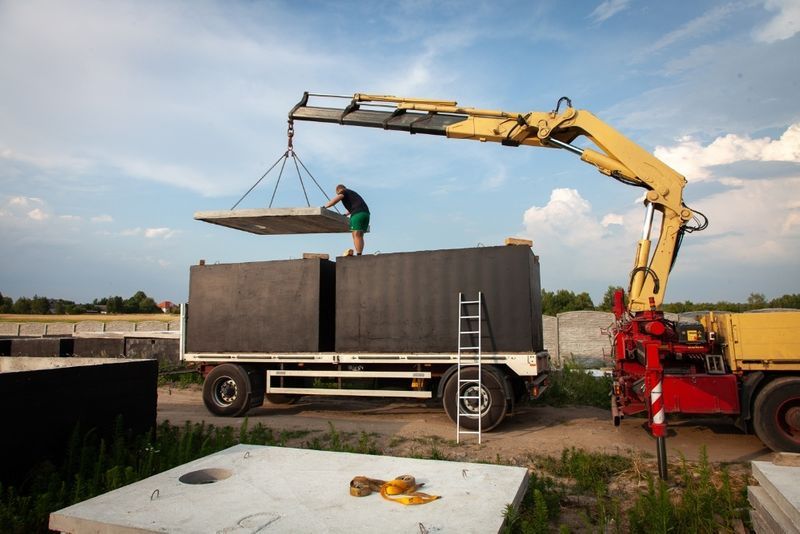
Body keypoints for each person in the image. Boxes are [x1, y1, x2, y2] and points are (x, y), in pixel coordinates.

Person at [323, 184, 370, 255]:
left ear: (338, 190)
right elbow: (355, 206)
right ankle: (359, 253)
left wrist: (325, 206)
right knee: (359, 234)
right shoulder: (352, 193)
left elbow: (337, 199)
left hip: (358, 214)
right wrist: (345, 214)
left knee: (356, 234)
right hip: (366, 214)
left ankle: (359, 255)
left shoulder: (343, 191)